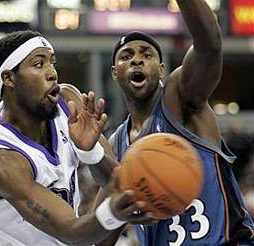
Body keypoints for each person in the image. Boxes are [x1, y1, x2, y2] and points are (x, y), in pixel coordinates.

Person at [0, 30, 152, 246]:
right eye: (39, 64)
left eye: (52, 62)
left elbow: (114, 180)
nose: (52, 73)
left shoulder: (67, 102)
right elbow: (70, 231)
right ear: (9, 78)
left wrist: (91, 153)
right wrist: (114, 213)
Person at [108, 0, 254, 245]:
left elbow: (209, 46)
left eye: (147, 54)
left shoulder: (179, 97)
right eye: (126, 55)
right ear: (114, 71)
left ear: (162, 69)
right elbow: (101, 230)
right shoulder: (116, 143)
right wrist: (88, 153)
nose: (136, 60)